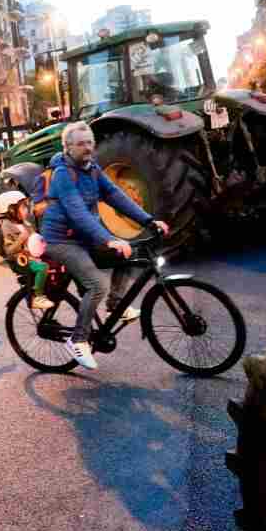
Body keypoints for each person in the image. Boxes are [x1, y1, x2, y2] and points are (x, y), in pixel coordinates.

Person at [40, 121, 170, 370]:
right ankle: (77, 340)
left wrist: (148, 220)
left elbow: (115, 196)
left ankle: (115, 304)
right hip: (61, 240)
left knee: (130, 254)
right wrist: (108, 239)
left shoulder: (92, 169)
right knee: (97, 284)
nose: (88, 148)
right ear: (67, 147)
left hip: (84, 235)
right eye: (81, 144)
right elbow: (78, 213)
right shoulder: (62, 175)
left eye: (90, 142)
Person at [0, 191, 53, 310]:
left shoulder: (24, 223)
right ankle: (37, 296)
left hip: (30, 255)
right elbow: (9, 251)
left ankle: (45, 289)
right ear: (11, 210)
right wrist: (21, 239)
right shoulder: (6, 226)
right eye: (23, 207)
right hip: (20, 260)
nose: (26, 209)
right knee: (43, 267)